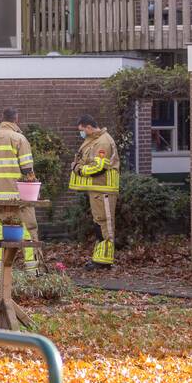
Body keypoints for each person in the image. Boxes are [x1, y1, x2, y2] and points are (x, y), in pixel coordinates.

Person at [0, 108, 39, 271]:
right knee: (28, 230)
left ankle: (2, 270)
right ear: (16, 119)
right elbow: (27, 169)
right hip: (17, 197)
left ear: (2, 119)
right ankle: (33, 270)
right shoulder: (19, 138)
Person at [68, 114, 120, 269]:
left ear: (89, 127)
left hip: (103, 188)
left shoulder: (102, 142)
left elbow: (99, 167)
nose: (81, 133)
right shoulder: (94, 140)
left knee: (104, 223)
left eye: (82, 130)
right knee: (99, 223)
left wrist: (79, 169)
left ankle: (104, 260)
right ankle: (100, 258)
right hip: (98, 188)